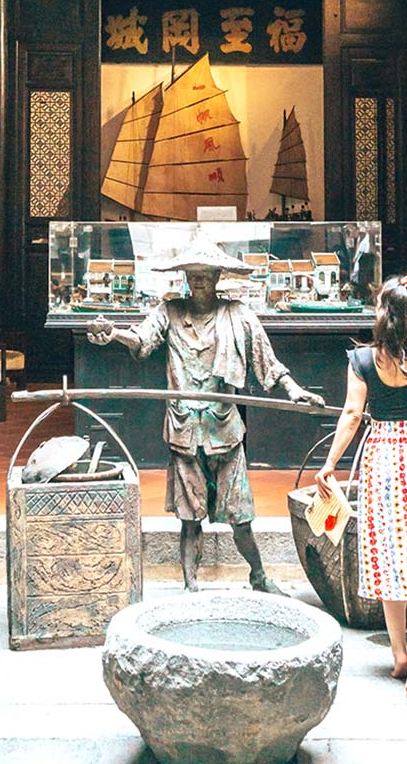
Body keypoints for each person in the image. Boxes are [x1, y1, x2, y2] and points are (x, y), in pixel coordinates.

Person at [86, 235, 325, 593]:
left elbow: (267, 362)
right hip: (184, 428)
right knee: (189, 519)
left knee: (240, 518)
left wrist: (294, 390)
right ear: (184, 277)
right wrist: (114, 334)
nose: (198, 280)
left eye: (206, 273)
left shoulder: (238, 314)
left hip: (224, 429)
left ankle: (258, 576)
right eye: (192, 274)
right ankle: (190, 587)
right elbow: (142, 339)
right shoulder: (169, 311)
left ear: (218, 277)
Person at [315, 270, 407, 701]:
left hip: (381, 455)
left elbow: (349, 415)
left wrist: (329, 466)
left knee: (389, 554)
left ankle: (399, 654)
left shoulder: (364, 361)